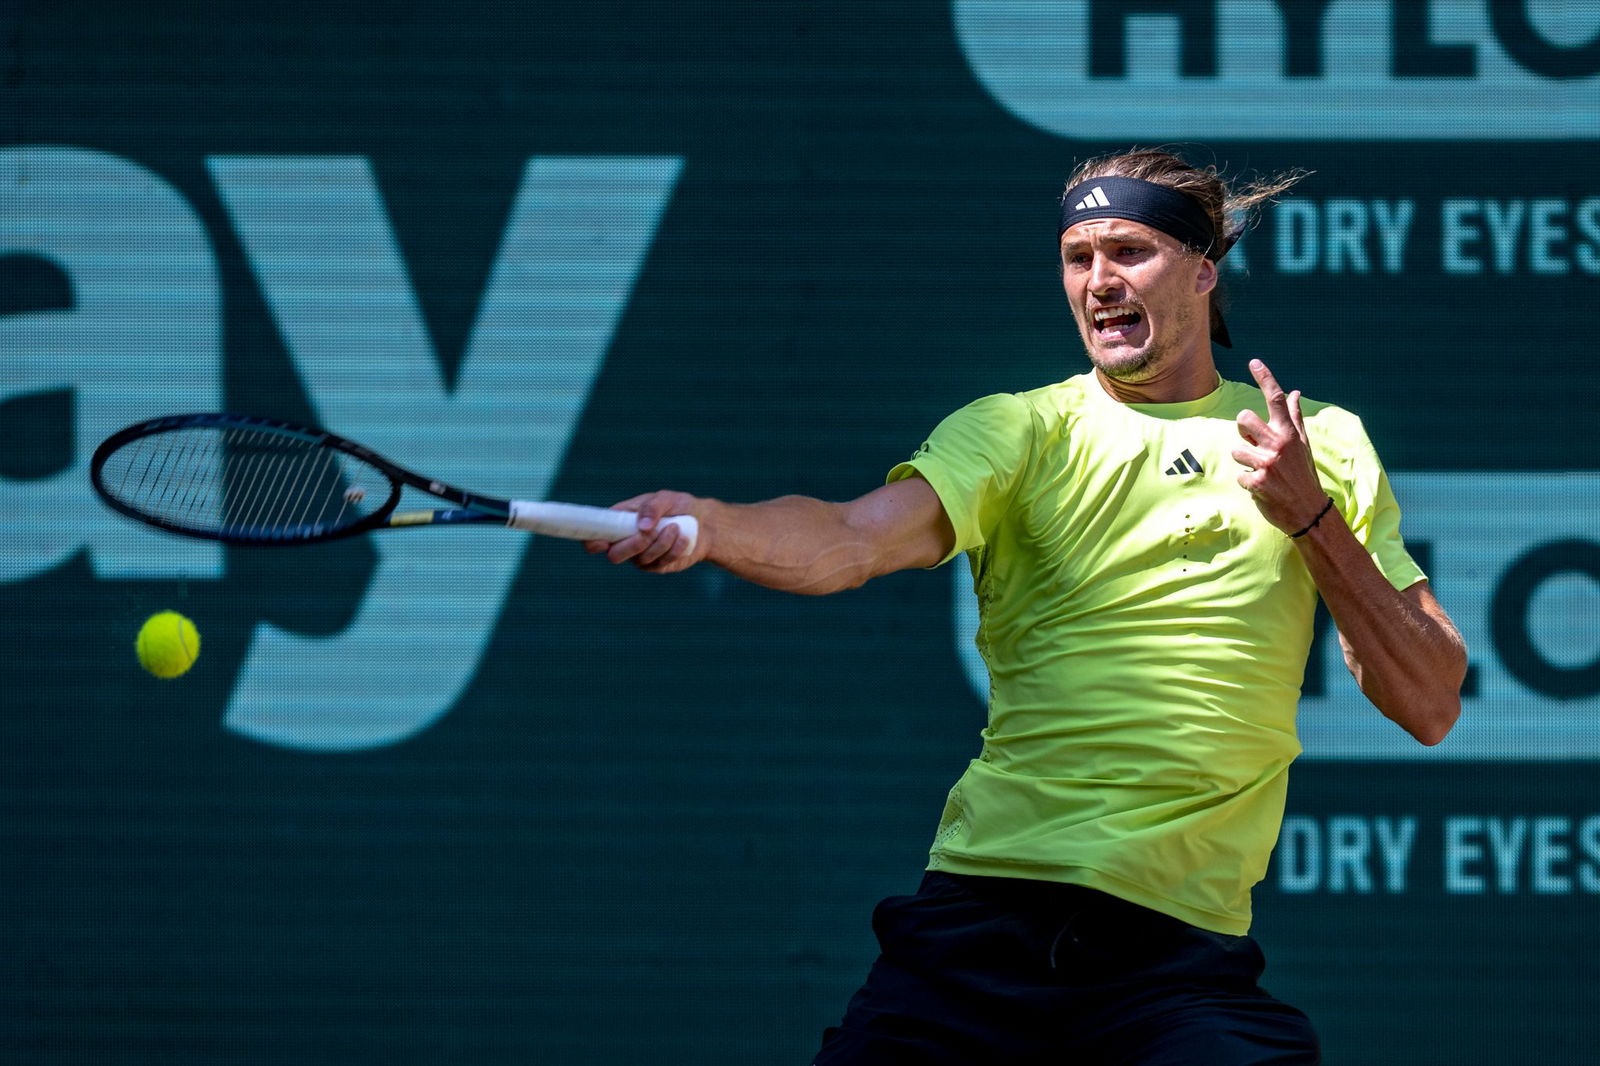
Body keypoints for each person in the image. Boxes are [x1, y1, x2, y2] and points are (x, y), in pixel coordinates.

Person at [587, 148, 1467, 1064]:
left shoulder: (1318, 443)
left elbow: (1430, 700)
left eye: (1129, 251)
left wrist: (1310, 515)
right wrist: (713, 525)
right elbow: (851, 539)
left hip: (1177, 957)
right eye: (1078, 257)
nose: (1099, 281)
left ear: (1204, 271)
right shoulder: (1019, 430)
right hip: (982, 924)